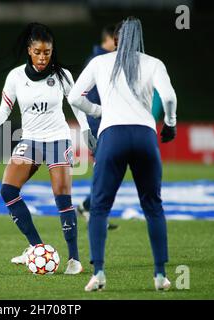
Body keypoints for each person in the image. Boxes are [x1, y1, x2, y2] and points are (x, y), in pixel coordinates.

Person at [0, 23, 101, 275]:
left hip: (58, 139)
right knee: (7, 190)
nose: (43, 57)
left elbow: (77, 105)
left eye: (47, 51)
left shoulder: (62, 75)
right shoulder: (15, 76)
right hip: (31, 141)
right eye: (38, 52)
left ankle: (74, 259)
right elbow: (5, 108)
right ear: (29, 50)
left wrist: (87, 132)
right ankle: (36, 248)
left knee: (62, 197)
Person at [68, 17, 177, 291]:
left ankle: (99, 273)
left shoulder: (99, 62)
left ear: (114, 41)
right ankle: (160, 275)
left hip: (112, 136)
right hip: (144, 136)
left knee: (101, 207)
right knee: (153, 206)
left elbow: (73, 97)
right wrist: (171, 124)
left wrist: (97, 112)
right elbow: (169, 98)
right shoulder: (154, 63)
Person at [76, 24, 120, 231]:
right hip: (98, 123)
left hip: (107, 122)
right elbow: (79, 96)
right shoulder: (98, 61)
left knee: (109, 169)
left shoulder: (107, 60)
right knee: (106, 169)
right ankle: (93, 212)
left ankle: (88, 207)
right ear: (111, 39)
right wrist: (97, 116)